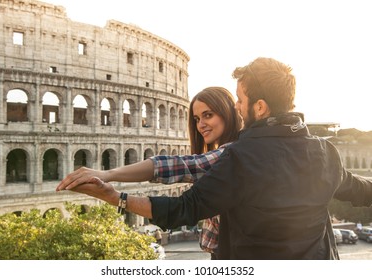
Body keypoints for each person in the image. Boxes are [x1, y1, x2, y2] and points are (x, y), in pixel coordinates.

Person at [57, 57, 372, 259]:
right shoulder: (324, 152)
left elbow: (184, 208)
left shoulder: (239, 159)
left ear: (259, 107)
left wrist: (115, 196)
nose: (237, 106)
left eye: (240, 99)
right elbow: (360, 190)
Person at [56, 86, 243, 260]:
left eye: (208, 115)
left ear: (227, 113)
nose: (200, 125)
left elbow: (177, 166)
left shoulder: (230, 153)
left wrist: (107, 175)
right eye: (196, 119)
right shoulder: (231, 151)